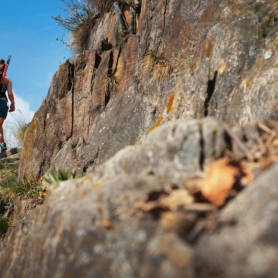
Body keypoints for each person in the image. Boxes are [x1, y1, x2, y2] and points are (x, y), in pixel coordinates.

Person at [0, 59, 15, 152]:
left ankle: (2, 143)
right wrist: (13, 104)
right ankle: (2, 143)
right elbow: (10, 94)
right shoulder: (7, 79)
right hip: (2, 104)